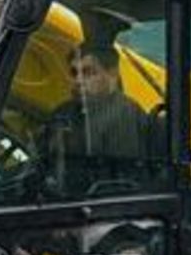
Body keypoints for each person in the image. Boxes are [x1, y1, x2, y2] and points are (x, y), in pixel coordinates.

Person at [45, 42, 158, 195]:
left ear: (112, 75)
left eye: (88, 72)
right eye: (74, 73)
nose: (78, 81)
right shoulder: (63, 112)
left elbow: (121, 183)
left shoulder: (123, 114)